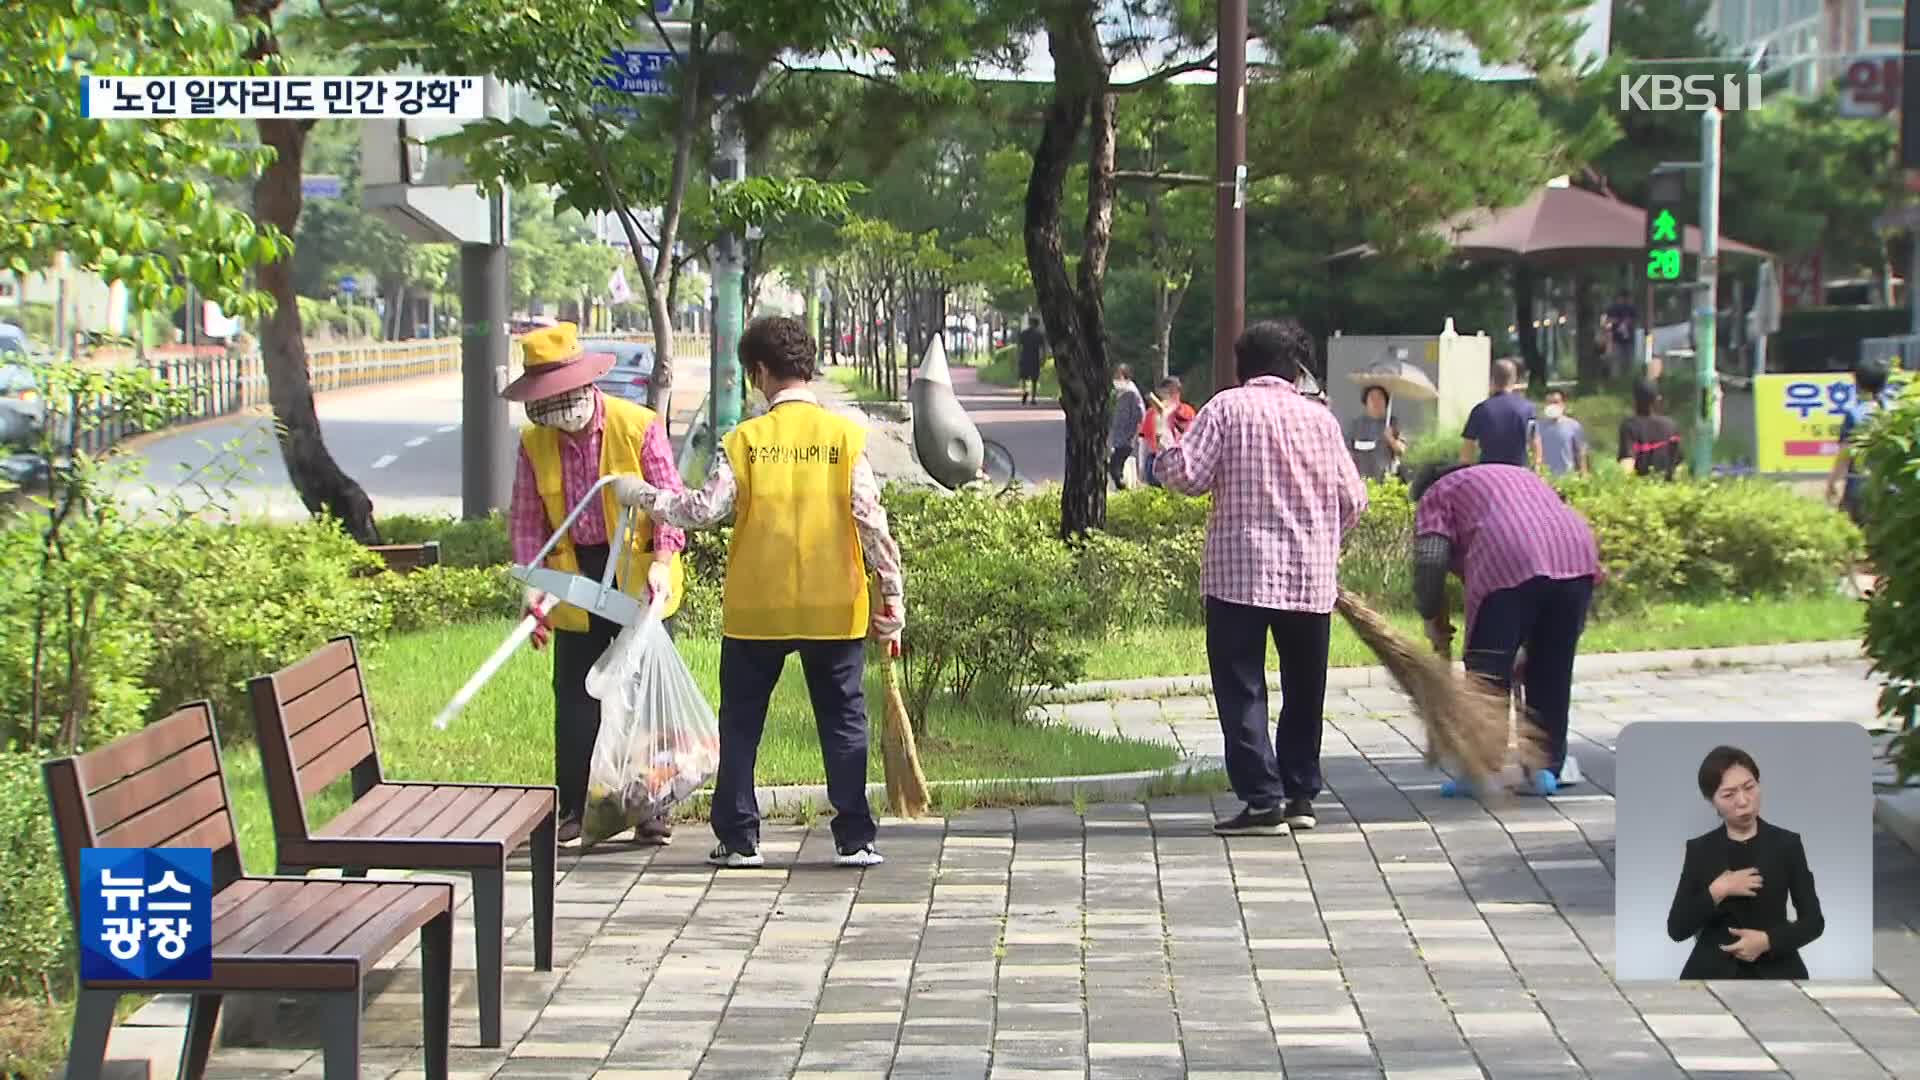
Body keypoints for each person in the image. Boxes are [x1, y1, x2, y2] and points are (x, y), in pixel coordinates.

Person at [612, 315, 904, 870]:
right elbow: (871, 521)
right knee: (843, 720)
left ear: (760, 371)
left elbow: (702, 509)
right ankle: (854, 838)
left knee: (742, 722)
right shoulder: (845, 439)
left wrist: (645, 496)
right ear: (808, 368)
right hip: (833, 605)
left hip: (757, 609)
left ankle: (741, 839)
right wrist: (892, 595)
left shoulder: (744, 441)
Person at [1154, 318, 1368, 836]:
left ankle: (1262, 799)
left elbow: (1187, 476)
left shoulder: (1226, 408)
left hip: (1239, 575)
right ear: (1296, 369)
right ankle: (1299, 795)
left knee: (1242, 686)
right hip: (1310, 579)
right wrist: (1320, 538)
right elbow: (1353, 500)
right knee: (1304, 689)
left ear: (1241, 365)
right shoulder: (1321, 419)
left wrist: (1164, 437)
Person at [505, 321, 688, 849]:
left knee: (641, 693)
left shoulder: (638, 425)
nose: (559, 416)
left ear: (585, 386)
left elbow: (668, 501)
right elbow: (526, 520)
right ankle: (575, 809)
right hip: (574, 575)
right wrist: (532, 584)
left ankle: (651, 807)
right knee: (575, 696)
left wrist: (662, 558)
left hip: (637, 572)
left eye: (562, 399)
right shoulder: (534, 443)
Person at [1409, 462, 1602, 796]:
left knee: (1487, 673)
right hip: (1576, 555)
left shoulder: (1438, 493)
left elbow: (1430, 560)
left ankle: (1481, 771)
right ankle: (1545, 771)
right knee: (1551, 670)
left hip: (1510, 556)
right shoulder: (1517, 476)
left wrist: (1430, 618)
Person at [1666, 746, 1824, 980]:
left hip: (1777, 969)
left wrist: (1768, 941)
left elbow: (1813, 922)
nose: (1743, 801)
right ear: (1713, 801)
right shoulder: (1700, 850)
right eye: (1728, 795)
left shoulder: (1786, 844)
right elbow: (1677, 929)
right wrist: (1718, 890)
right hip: (1712, 972)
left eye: (1749, 787)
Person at [1827, 356, 1894, 527]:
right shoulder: (1894, 411)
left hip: (1860, 487)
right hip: (1890, 486)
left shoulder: (1854, 414)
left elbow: (1845, 454)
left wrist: (1833, 482)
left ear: (1857, 383)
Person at [1460, 358, 1536, 468]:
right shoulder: (1527, 409)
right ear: (1514, 379)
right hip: (1518, 473)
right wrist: (1536, 468)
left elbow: (1467, 451)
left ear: (1492, 379)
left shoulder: (1480, 410)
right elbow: (1534, 441)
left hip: (1489, 474)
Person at [1619, 378, 1683, 480]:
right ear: (1657, 400)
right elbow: (1678, 467)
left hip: (1641, 490)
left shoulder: (1630, 426)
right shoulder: (1671, 426)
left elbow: (1627, 463)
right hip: (1668, 489)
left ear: (1634, 399)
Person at [1140, 375, 1196, 487]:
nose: (1169, 395)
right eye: (1166, 392)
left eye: (1172, 392)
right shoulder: (1152, 413)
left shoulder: (1186, 411)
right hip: (1156, 459)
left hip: (1177, 459)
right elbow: (1144, 442)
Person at [1345, 384, 1406, 482]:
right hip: (1359, 480)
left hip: (1386, 481)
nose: (1376, 402)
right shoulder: (1355, 426)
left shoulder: (1393, 423)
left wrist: (1391, 439)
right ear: (1366, 402)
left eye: (1380, 398)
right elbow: (1347, 453)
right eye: (1372, 398)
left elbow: (1402, 451)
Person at [1535, 388, 1589, 476]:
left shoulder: (1573, 426)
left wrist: (1583, 474)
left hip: (1567, 478)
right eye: (1549, 403)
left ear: (1563, 404)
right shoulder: (1537, 427)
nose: (1552, 406)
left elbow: (1581, 452)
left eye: (1556, 402)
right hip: (1544, 478)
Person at [1109, 364, 1146, 490]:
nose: (1116, 379)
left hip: (1127, 437)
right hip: (1121, 436)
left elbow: (1140, 414)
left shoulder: (1131, 393)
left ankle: (1124, 488)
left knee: (1115, 466)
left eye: (1119, 376)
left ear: (1126, 377)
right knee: (1116, 465)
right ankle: (1124, 487)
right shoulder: (1121, 392)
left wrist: (1133, 433)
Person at [1603, 291, 1639, 379]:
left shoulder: (1631, 309)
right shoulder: (1613, 309)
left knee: (1627, 362)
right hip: (1617, 339)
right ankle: (1617, 379)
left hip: (1628, 339)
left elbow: (1635, 320)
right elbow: (1608, 322)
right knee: (1617, 362)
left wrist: (1628, 322)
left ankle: (1627, 378)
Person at [1017, 316, 1046, 405]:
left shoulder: (1023, 333)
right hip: (1034, 358)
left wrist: (1018, 357)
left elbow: (1019, 347)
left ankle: (1024, 391)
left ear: (1030, 324)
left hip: (1025, 357)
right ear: (1037, 325)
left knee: (1024, 378)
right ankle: (1033, 398)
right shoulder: (1039, 335)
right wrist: (1043, 358)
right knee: (1034, 379)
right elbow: (1043, 349)